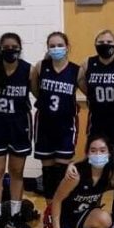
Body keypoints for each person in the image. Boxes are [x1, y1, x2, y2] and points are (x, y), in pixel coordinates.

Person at [0, 33, 33, 228]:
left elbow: (37, 92)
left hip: (20, 123)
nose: (10, 49)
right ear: (0, 47)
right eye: (6, 46)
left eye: (14, 46)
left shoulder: (29, 69)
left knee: (17, 171)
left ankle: (15, 215)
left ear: (20, 48)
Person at [43, 135, 114, 228]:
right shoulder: (76, 175)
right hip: (61, 215)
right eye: (93, 150)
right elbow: (57, 200)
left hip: (81, 214)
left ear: (109, 153)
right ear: (87, 154)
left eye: (102, 150)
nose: (98, 154)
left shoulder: (109, 173)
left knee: (106, 219)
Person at [31, 31, 80, 218]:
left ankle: (64, 208)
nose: (56, 49)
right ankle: (51, 211)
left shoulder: (76, 70)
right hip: (45, 125)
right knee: (48, 172)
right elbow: (36, 90)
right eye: (52, 45)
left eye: (60, 45)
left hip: (65, 126)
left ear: (67, 47)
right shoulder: (40, 67)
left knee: (62, 170)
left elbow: (87, 92)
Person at [78, 29, 114, 145]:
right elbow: (80, 81)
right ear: (95, 44)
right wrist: (90, 94)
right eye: (101, 42)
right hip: (97, 121)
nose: (105, 45)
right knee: (97, 156)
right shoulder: (88, 62)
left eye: (109, 41)